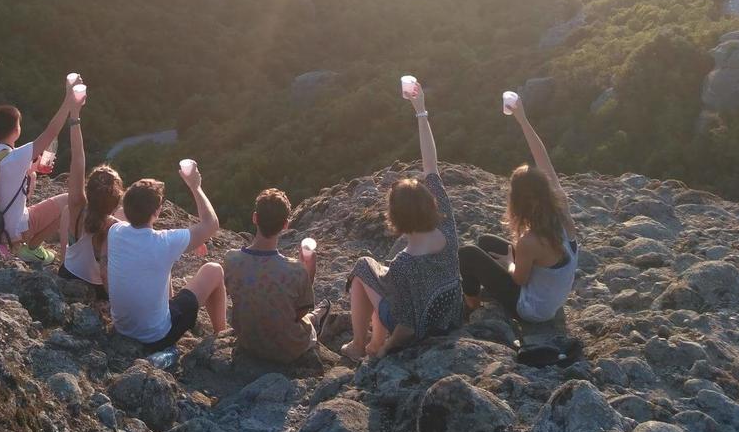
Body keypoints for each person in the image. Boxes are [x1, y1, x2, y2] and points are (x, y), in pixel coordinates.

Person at [342, 81, 462, 361]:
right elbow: (431, 165)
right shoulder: (447, 227)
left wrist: (384, 352)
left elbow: (406, 327)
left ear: (396, 216)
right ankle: (366, 343)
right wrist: (421, 111)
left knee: (362, 267)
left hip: (421, 329)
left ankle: (361, 345)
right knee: (382, 279)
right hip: (449, 315)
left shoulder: (404, 263)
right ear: (429, 203)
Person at [458, 98, 578, 323]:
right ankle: (481, 289)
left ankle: (470, 305)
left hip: (532, 310)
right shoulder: (561, 210)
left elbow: (519, 280)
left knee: (467, 254)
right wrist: (522, 119)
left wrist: (508, 263)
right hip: (551, 297)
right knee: (485, 242)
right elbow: (544, 160)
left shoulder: (529, 241)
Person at [106, 162, 226, 351]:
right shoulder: (165, 243)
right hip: (158, 336)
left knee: (160, 263)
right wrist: (195, 186)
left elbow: (126, 215)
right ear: (157, 212)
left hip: (123, 328)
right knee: (214, 270)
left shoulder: (115, 231)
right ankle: (222, 335)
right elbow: (211, 224)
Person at [223, 188, 330, 364]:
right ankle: (318, 318)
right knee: (307, 319)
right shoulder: (296, 270)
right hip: (287, 349)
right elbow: (300, 311)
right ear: (285, 225)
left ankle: (318, 315)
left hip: (248, 342)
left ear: (255, 218)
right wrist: (308, 272)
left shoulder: (231, 259)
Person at [0, 80, 78, 263]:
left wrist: (33, 169)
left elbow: (6, 180)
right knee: (67, 201)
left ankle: (7, 245)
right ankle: (31, 248)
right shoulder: (16, 157)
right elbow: (51, 131)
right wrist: (68, 99)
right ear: (17, 130)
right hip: (16, 230)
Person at [57, 81, 123, 299]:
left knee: (65, 212)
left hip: (67, 276)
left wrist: (74, 115)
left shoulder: (76, 207)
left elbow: (78, 158)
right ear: (116, 202)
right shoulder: (116, 228)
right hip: (97, 290)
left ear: (89, 190)